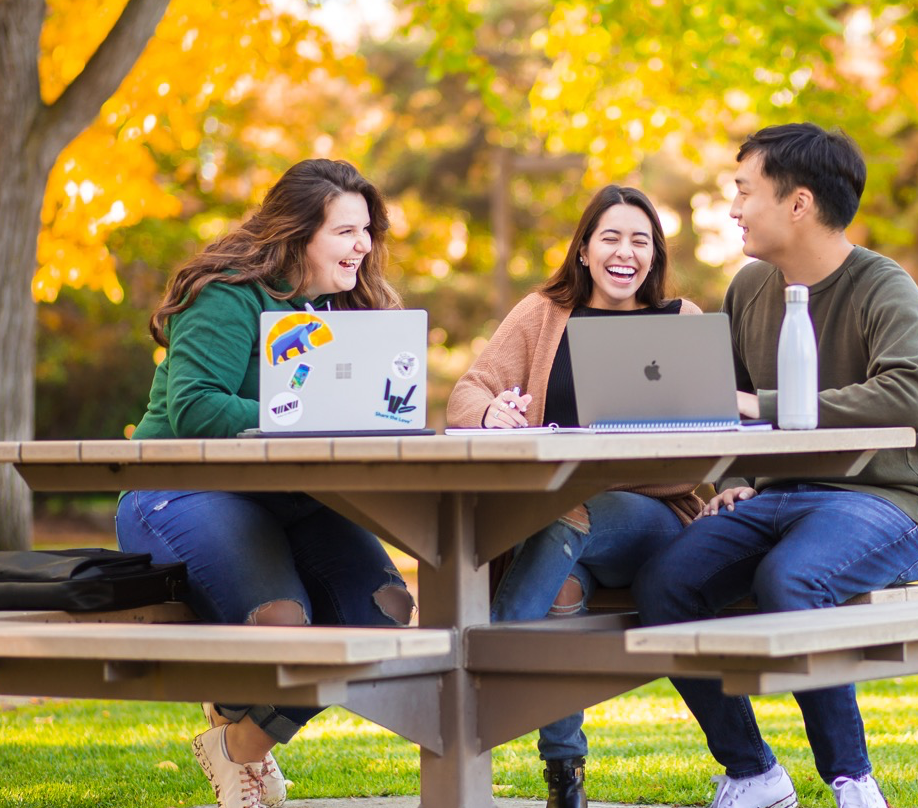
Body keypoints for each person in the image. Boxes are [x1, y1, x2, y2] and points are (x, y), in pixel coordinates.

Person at [633, 123, 918, 808]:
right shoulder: (750, 289)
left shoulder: (883, 286)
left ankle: (852, 781)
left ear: (798, 203)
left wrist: (762, 403)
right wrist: (734, 478)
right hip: (776, 496)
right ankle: (753, 772)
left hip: (886, 499)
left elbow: (907, 394)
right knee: (662, 585)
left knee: (792, 578)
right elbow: (727, 411)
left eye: (745, 192)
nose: (734, 208)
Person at [115, 159, 416, 808]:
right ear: (300, 231)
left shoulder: (347, 310)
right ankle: (239, 725)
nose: (362, 245)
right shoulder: (227, 291)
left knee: (384, 613)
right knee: (282, 623)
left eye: (366, 230)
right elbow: (195, 407)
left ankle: (239, 743)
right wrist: (312, 415)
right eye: (344, 231)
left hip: (298, 500)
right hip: (182, 490)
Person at [445, 184, 704, 808]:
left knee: (562, 516)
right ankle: (566, 775)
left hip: (654, 517)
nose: (625, 252)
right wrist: (492, 416)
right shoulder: (542, 313)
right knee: (559, 596)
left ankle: (490, 656)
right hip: (557, 530)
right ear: (584, 250)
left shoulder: (680, 320)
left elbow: (714, 424)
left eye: (640, 240)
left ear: (655, 255)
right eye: (610, 237)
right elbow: (466, 393)